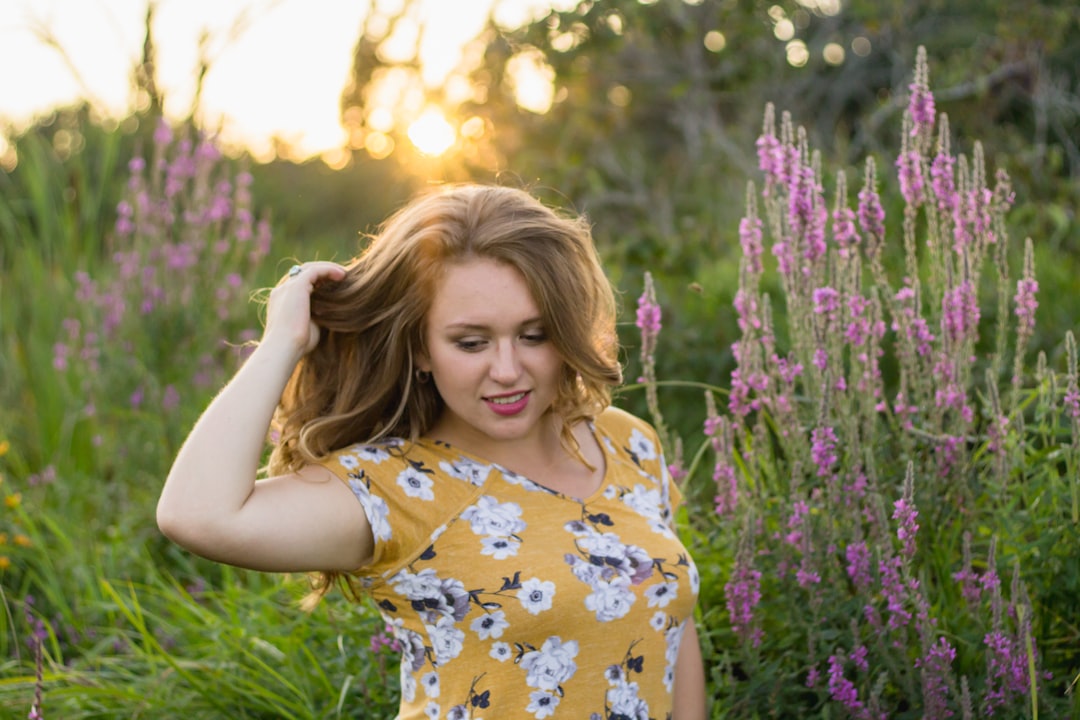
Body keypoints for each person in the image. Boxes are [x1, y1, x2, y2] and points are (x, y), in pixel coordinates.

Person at [157, 183, 706, 719]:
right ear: (420, 347)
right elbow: (196, 515)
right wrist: (283, 342)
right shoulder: (396, 485)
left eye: (534, 335)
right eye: (471, 342)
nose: (508, 370)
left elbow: (672, 628)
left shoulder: (626, 441)